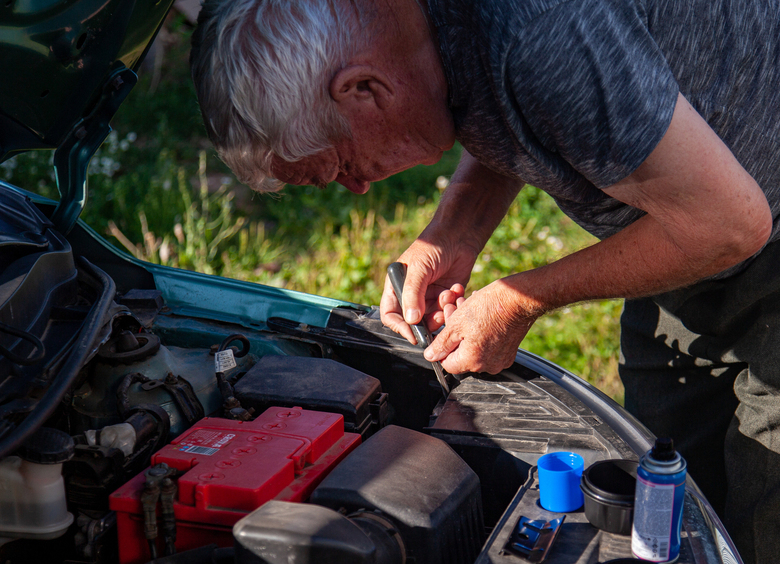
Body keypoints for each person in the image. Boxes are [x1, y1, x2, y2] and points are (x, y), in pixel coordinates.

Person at [190, 0, 780, 561]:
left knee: (763, 522)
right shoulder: (443, 36)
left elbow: (731, 224)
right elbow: (514, 105)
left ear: (363, 89)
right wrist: (453, 232)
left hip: (747, 234)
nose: (359, 188)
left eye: (341, 164)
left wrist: (520, 300)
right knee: (663, 507)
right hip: (686, 244)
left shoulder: (538, 34)